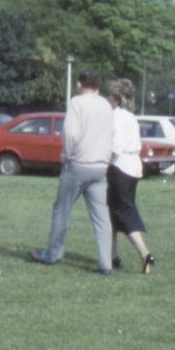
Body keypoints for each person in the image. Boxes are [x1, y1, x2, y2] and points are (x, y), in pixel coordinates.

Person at [31, 68, 115, 273]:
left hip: (78, 164)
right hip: (100, 166)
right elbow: (110, 134)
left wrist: (66, 156)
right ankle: (106, 262)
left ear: (79, 83)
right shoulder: (106, 104)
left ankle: (53, 253)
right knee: (101, 216)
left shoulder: (77, 103)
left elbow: (70, 132)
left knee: (62, 211)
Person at [107, 79, 155, 274]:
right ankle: (112, 255)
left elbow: (115, 147)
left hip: (120, 167)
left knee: (123, 212)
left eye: (109, 96)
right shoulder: (130, 116)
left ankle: (145, 254)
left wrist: (102, 163)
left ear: (116, 98)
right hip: (133, 167)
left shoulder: (116, 117)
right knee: (110, 211)